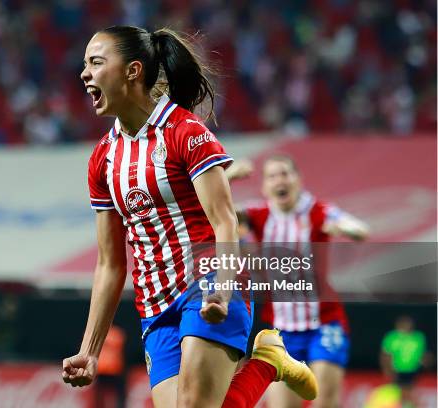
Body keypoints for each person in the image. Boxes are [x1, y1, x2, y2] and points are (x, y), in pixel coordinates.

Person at [61, 25, 317, 408]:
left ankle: (264, 359)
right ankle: (267, 361)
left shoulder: (185, 132)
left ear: (132, 71)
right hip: (154, 305)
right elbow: (111, 265)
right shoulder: (102, 159)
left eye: (96, 63)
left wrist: (225, 287)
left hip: (208, 281)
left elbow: (225, 221)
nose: (85, 74)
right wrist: (90, 350)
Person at [229, 155, 369, 408]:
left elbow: (357, 228)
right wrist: (228, 176)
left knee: (324, 399)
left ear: (297, 180)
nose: (280, 180)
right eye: (272, 176)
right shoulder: (258, 215)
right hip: (283, 328)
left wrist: (348, 229)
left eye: (285, 174)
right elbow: (216, 206)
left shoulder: (317, 211)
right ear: (265, 186)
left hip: (324, 323)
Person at [380, 315, 428, 408]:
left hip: (412, 370)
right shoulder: (392, 337)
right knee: (400, 393)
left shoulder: (418, 337)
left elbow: (421, 355)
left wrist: (424, 361)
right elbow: (385, 355)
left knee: (407, 393)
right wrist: (387, 369)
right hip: (396, 370)